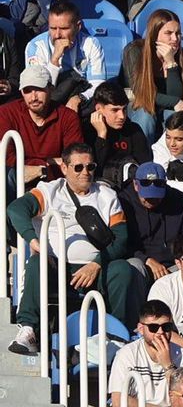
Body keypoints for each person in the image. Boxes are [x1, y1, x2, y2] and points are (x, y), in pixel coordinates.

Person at [6, 142, 136, 356]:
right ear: (64, 168)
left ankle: (114, 337)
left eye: (90, 167)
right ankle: (28, 329)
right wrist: (32, 240)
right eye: (78, 167)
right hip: (56, 266)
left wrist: (96, 263)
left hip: (95, 267)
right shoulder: (50, 191)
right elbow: (16, 209)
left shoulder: (106, 195)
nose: (85, 172)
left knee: (122, 269)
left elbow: (121, 238)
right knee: (37, 262)